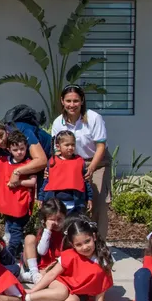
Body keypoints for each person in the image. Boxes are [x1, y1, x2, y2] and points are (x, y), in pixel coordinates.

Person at [51, 85, 112, 238]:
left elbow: (100, 146)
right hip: (71, 164)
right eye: (68, 101)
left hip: (97, 162)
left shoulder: (93, 118)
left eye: (76, 101)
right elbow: (57, 149)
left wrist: (91, 168)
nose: (72, 105)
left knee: (97, 204)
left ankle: (99, 244)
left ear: (82, 101)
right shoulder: (58, 122)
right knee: (76, 205)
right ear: (62, 101)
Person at [26, 215, 115, 301]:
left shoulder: (103, 258)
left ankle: (41, 299)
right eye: (79, 244)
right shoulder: (70, 255)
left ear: (94, 237)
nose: (85, 247)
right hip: (60, 283)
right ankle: (27, 298)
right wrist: (33, 290)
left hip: (78, 292)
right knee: (62, 292)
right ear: (72, 245)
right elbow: (52, 274)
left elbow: (103, 280)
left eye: (87, 241)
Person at [0, 130, 36, 258]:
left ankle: (8, 256)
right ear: (9, 149)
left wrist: (19, 182)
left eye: (22, 148)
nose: (19, 152)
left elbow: (32, 182)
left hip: (20, 207)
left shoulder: (29, 163)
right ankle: (19, 256)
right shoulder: (3, 161)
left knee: (15, 233)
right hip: (9, 206)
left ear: (26, 147)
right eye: (16, 149)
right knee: (13, 232)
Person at [0, 115, 50, 191]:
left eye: (1, 135)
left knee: (45, 196)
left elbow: (41, 161)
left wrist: (17, 171)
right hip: (28, 161)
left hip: (49, 155)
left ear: (6, 130)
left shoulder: (22, 132)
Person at [39, 130, 94, 215]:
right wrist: (41, 197)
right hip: (55, 203)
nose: (70, 147)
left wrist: (89, 198)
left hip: (74, 203)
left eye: (73, 145)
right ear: (58, 146)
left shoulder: (79, 161)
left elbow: (85, 182)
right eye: (67, 145)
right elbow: (46, 181)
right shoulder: (52, 161)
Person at [21, 199, 67, 284]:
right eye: (52, 220)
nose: (56, 223)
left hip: (54, 267)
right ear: (45, 220)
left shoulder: (66, 233)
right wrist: (48, 230)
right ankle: (34, 275)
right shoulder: (45, 232)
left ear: (65, 217)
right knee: (29, 238)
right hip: (36, 265)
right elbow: (42, 252)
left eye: (59, 219)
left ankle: (30, 277)